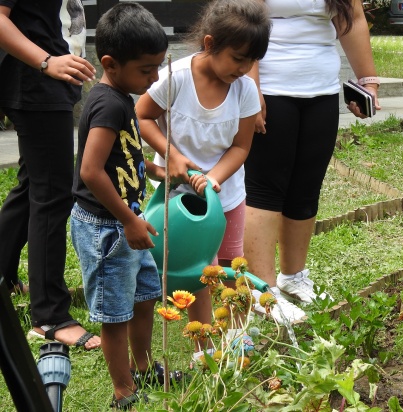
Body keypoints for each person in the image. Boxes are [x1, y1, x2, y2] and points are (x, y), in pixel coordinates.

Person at [135, 0, 271, 357]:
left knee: (229, 268)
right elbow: (143, 116)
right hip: (175, 201)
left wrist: (212, 179)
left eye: (252, 61)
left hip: (224, 197)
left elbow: (241, 147)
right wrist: (173, 155)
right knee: (197, 272)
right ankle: (206, 344)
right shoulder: (176, 77)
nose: (243, 69)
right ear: (210, 44)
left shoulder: (244, 90)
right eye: (238, 58)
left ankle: (237, 335)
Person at [69, 3, 180, 408]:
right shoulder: (108, 104)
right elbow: (91, 171)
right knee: (115, 314)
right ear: (110, 64)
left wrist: (154, 168)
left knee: (145, 295)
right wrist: (129, 221)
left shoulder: (123, 96)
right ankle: (123, 390)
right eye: (146, 70)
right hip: (108, 228)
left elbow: (123, 157)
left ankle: (145, 366)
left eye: (158, 69)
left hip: (125, 220)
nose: (153, 79)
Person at [243, 0, 381, 322]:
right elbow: (244, 23)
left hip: (321, 91)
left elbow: (353, 18)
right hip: (271, 89)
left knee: (306, 188)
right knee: (265, 190)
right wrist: (252, 90)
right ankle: (263, 290)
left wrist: (368, 80)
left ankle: (293, 276)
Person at [0, 0, 101, 349]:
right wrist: (46, 62)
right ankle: (50, 317)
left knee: (33, 188)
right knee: (52, 197)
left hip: (50, 86)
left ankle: (4, 277)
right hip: (37, 86)